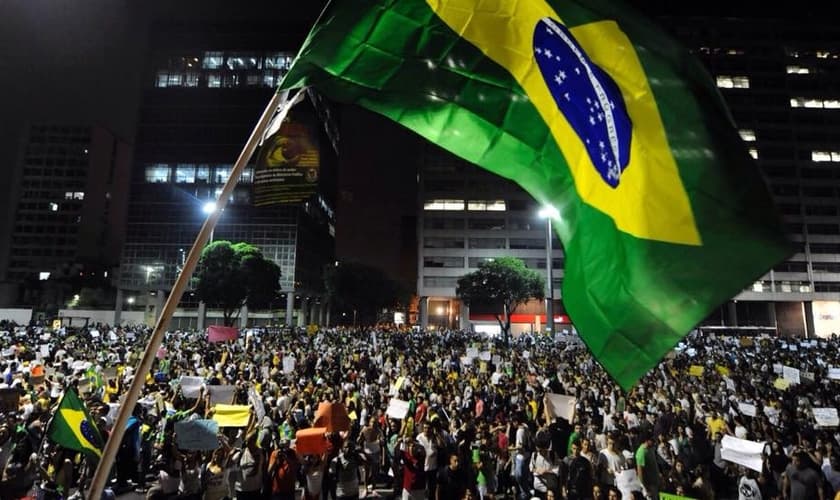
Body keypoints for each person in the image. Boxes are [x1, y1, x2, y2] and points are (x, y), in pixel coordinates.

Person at [635, 433, 660, 500]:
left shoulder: (651, 449)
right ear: (646, 440)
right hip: (649, 485)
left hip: (656, 482)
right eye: (652, 440)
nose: (654, 441)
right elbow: (640, 472)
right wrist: (645, 488)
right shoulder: (641, 452)